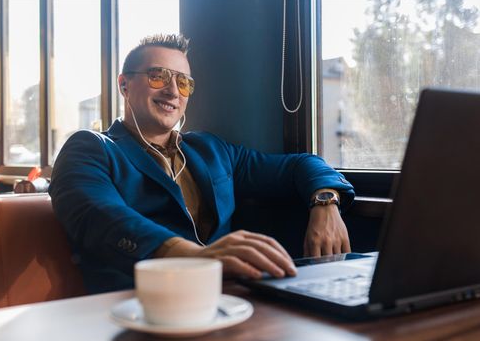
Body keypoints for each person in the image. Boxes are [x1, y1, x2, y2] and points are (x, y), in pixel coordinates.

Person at [49, 34, 355, 294]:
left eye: (183, 83)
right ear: (124, 85)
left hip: (229, 301)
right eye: (158, 76)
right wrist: (199, 258)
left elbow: (300, 165)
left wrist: (325, 201)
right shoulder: (90, 148)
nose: (172, 91)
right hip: (137, 305)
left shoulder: (210, 149)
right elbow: (102, 218)